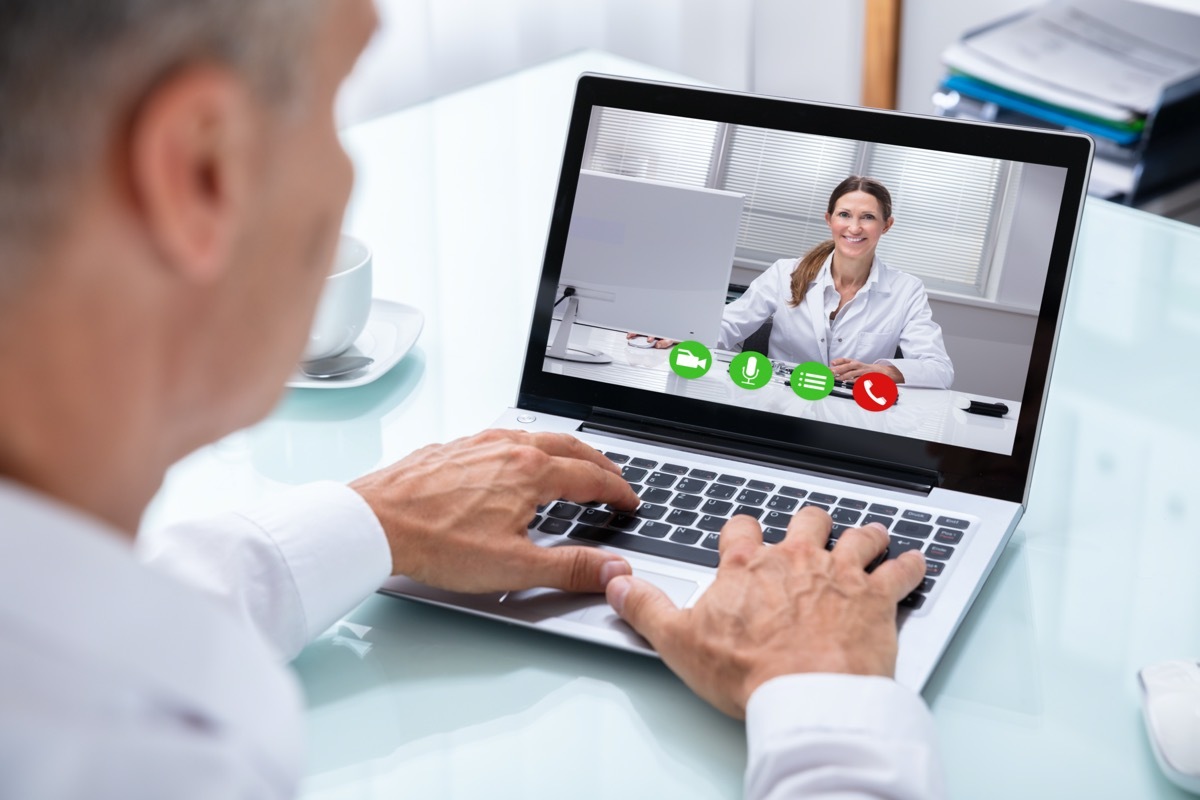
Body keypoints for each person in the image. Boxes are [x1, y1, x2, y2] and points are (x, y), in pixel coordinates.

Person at [0, 2, 941, 798]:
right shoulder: (141, 763)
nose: (345, 174)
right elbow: (732, 335)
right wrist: (828, 709)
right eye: (336, 106)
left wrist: (362, 522)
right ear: (200, 173)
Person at [633, 176, 955, 390]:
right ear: (829, 219)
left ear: (886, 225)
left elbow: (939, 370)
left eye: (868, 217)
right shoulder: (785, 272)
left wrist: (885, 370)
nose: (854, 227)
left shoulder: (906, 289)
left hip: (852, 411)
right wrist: (682, 332)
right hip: (774, 403)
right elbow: (729, 324)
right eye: (844, 215)